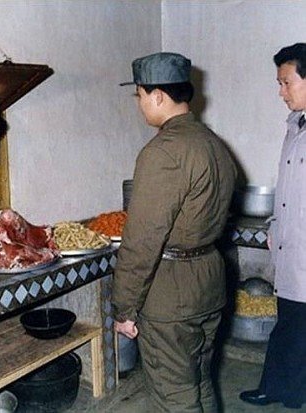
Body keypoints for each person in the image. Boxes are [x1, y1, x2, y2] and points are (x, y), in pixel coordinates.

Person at [112, 52, 237, 412]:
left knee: (175, 397)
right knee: (200, 381)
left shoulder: (163, 152)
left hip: (171, 293)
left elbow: (142, 241)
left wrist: (124, 308)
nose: (139, 104)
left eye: (139, 95)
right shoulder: (213, 143)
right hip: (209, 281)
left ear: (157, 96)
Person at [239, 43, 306, 410]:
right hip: (291, 247)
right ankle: (281, 389)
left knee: (297, 326)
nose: (281, 92)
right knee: (291, 324)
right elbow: (289, 188)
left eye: (286, 82)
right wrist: (275, 226)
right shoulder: (296, 125)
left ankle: (287, 392)